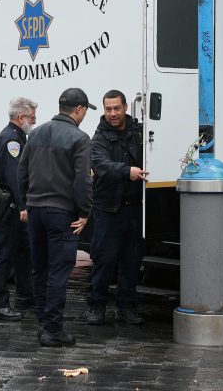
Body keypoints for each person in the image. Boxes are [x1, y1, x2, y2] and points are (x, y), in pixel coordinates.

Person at [19, 88, 95, 348]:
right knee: (59, 272)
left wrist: (26, 202)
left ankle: (44, 325)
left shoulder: (36, 133)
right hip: (61, 213)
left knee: (39, 269)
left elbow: (22, 171)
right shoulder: (80, 138)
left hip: (36, 210)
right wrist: (85, 213)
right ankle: (53, 329)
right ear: (80, 109)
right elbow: (82, 181)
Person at [86, 89, 149, 326]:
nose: (112, 113)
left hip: (134, 208)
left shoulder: (139, 132)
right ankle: (97, 306)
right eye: (108, 109)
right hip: (108, 209)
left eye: (117, 108)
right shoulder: (99, 138)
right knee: (104, 259)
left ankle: (127, 307)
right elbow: (101, 165)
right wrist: (127, 171)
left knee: (133, 261)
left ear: (125, 108)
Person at [0, 97, 37, 321]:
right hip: (8, 208)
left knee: (22, 252)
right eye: (32, 118)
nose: (34, 122)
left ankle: (25, 296)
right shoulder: (12, 140)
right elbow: (16, 177)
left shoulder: (17, 136)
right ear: (21, 117)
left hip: (12, 207)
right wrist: (24, 206)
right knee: (5, 256)